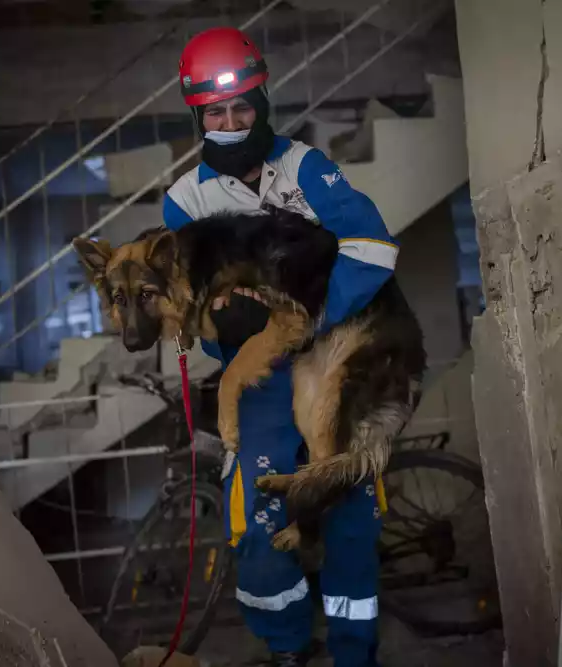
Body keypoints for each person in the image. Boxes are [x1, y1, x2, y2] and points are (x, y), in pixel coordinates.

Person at [162, 27, 398, 667]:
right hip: (263, 387)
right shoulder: (185, 203)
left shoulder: (307, 169)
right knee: (258, 533)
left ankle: (355, 654)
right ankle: (290, 648)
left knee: (350, 519)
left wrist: (314, 319)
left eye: (243, 107)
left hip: (334, 367)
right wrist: (231, 334)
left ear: (262, 101)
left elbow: (372, 249)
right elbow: (202, 311)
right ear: (198, 115)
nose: (233, 122)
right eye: (217, 112)